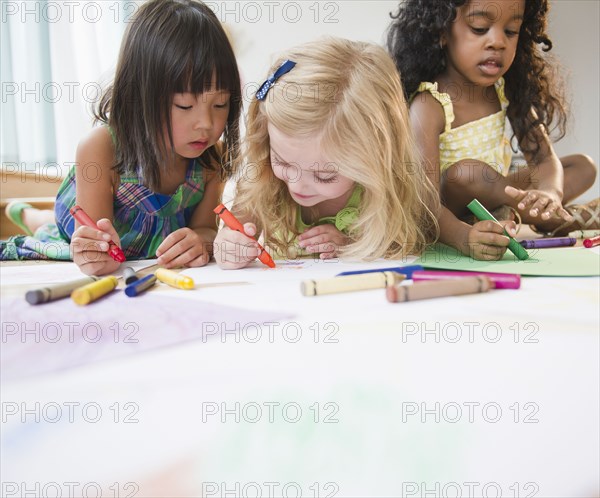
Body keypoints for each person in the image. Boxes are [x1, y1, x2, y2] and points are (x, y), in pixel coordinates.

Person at [2, 0, 241, 275]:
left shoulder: (212, 158)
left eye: (220, 104)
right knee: (52, 233)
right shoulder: (101, 147)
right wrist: (96, 253)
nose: (206, 124)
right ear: (140, 97)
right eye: (185, 105)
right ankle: (29, 214)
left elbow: (206, 228)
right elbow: (95, 240)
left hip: (149, 245)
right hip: (78, 220)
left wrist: (202, 240)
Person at [387, 0, 598, 260]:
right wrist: (463, 238)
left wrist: (549, 192)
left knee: (582, 166)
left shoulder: (505, 91)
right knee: (465, 174)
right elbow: (424, 203)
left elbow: (544, 158)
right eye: (479, 28)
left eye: (511, 31)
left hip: (501, 189)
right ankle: (550, 218)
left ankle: (536, 212)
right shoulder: (430, 104)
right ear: (441, 31)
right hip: (452, 208)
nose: (498, 42)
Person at [214, 37, 439, 270]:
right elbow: (231, 235)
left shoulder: (383, 195)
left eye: (324, 175)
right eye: (282, 161)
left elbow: (398, 248)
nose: (297, 186)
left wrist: (348, 245)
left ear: (375, 157)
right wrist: (228, 246)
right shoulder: (261, 181)